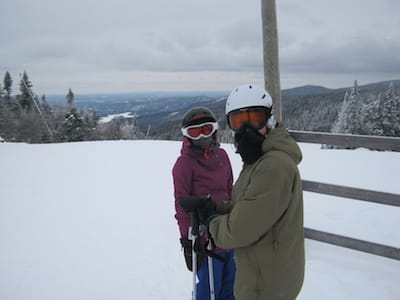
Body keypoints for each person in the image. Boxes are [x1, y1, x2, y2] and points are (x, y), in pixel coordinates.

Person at [180, 84, 305, 299]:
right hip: (260, 267)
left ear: (269, 119)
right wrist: (215, 206)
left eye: (255, 118)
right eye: (239, 121)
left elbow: (238, 230)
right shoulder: (258, 161)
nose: (247, 128)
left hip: (267, 281)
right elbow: (248, 204)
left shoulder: (274, 166)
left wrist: (211, 223)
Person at [172, 107, 236, 300]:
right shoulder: (184, 164)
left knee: (231, 281)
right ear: (187, 136)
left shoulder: (222, 156)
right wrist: (186, 239)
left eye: (206, 130)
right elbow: (181, 205)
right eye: (195, 132)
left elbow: (230, 191)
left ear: (215, 131)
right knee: (210, 285)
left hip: (229, 230)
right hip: (204, 238)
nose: (201, 136)